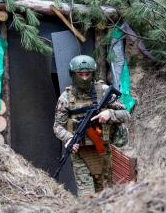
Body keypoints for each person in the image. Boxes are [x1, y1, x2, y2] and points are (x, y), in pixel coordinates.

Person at [53, 55, 130, 197]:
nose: (84, 78)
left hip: (102, 149)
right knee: (86, 195)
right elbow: (57, 126)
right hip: (80, 152)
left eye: (87, 74)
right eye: (80, 74)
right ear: (73, 74)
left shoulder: (104, 91)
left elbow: (126, 114)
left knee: (105, 192)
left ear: (93, 74)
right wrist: (69, 139)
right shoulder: (65, 98)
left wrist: (110, 113)